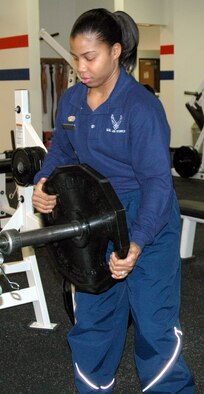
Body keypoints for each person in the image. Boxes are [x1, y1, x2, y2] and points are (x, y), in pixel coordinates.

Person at [33, 8, 195, 394]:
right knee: (93, 319)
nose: (81, 67)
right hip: (94, 214)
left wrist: (136, 242)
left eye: (90, 57)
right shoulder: (72, 101)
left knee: (154, 323)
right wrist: (44, 181)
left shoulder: (141, 107)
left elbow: (158, 183)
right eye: (76, 58)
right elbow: (61, 154)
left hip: (146, 215)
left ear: (116, 51)